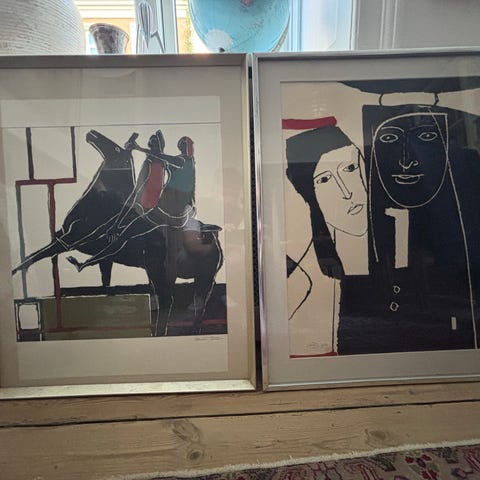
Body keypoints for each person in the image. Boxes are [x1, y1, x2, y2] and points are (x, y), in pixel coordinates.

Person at [285, 122, 368, 355]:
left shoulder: (403, 243)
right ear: (309, 195)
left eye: (350, 169)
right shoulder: (302, 271)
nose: (346, 192)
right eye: (324, 180)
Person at [67, 132, 196, 272]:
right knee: (120, 236)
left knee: (122, 236)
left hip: (165, 213)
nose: (183, 145)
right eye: (182, 143)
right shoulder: (166, 162)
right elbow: (160, 159)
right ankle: (85, 264)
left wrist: (138, 148)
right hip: (159, 209)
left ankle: (86, 263)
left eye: (185, 143)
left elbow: (162, 160)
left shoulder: (183, 161)